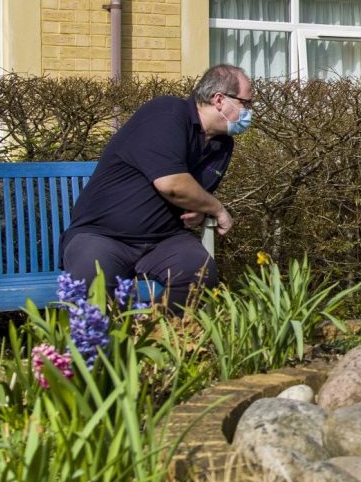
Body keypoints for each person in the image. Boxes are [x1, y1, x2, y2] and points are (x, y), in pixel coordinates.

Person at [60, 64, 253, 309]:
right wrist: (217, 209)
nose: (248, 111)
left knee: (200, 273)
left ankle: (159, 340)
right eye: (245, 103)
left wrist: (200, 207)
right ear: (219, 100)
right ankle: (105, 346)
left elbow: (195, 194)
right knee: (92, 285)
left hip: (164, 239)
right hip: (103, 235)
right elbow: (172, 185)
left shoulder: (223, 145)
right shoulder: (167, 113)